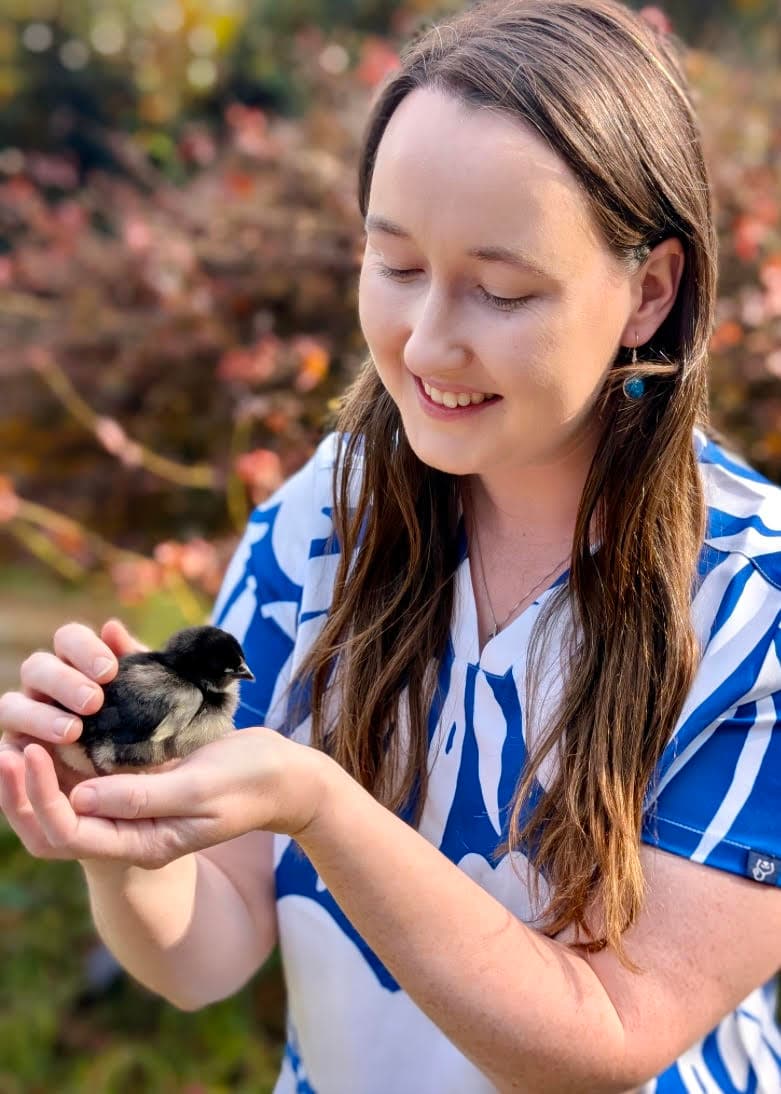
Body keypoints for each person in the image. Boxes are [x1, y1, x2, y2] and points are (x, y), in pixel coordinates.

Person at [1, 0, 779, 1089]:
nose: (425, 340)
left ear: (648, 289)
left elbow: (604, 1034)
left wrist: (320, 802)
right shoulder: (324, 516)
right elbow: (205, 946)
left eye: (502, 289)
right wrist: (114, 820)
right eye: (395, 263)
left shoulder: (754, 608)